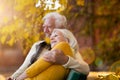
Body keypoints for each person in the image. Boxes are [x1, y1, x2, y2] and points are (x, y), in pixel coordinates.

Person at [8, 12, 89, 80]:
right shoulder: (38, 45)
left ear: (60, 28)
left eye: (49, 27)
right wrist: (12, 78)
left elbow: (85, 69)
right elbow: (24, 67)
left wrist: (65, 60)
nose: (45, 31)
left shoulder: (68, 48)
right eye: (44, 27)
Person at [15, 29, 80, 80]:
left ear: (67, 40)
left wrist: (17, 79)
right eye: (51, 36)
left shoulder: (64, 45)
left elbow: (38, 66)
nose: (51, 38)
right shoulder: (68, 54)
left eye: (56, 35)